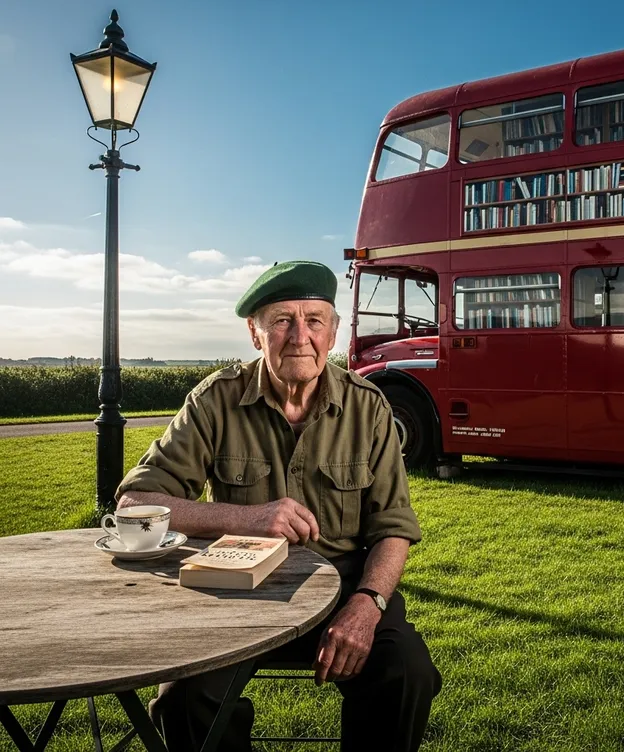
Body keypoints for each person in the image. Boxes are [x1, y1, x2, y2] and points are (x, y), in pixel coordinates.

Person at [115, 260, 441, 752]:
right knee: (182, 699)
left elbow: (393, 526)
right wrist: (246, 518)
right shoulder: (214, 401)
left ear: (332, 333)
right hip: (235, 590)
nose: (299, 337)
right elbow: (134, 502)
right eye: (282, 320)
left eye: (314, 321)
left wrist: (367, 604)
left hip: (344, 586)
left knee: (406, 672)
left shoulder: (368, 406)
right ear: (255, 332)